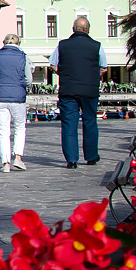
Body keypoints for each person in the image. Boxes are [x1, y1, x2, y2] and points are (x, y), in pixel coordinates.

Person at [50, 16, 107, 169]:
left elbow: (53, 64)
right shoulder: (97, 46)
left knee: (69, 125)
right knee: (90, 123)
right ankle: (91, 156)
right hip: (90, 90)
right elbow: (104, 67)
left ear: (73, 29)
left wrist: (63, 72)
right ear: (88, 30)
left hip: (68, 90)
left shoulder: (62, 45)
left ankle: (72, 159)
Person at [0, 33, 30, 173]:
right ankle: (17, 157)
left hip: (0, 97)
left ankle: (5, 163)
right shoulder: (23, 57)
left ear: (4, 43)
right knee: (19, 127)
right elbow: (28, 79)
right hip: (17, 97)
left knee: (4, 131)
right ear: (18, 43)